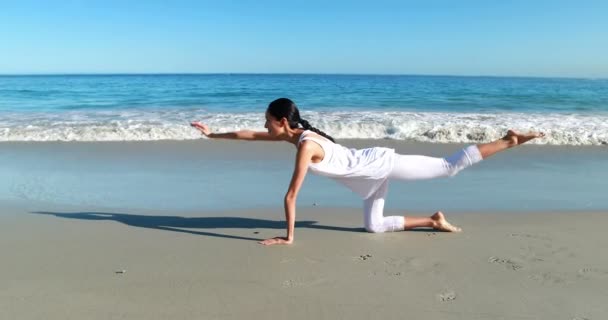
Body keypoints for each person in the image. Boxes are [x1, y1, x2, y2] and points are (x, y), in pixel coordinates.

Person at [191, 98, 544, 246]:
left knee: (448, 168)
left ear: (283, 122)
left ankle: (508, 140)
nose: (263, 127)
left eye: (268, 122)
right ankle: (434, 220)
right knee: (374, 227)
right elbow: (249, 136)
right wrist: (212, 134)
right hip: (368, 178)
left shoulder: (306, 146)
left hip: (380, 163)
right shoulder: (297, 136)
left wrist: (289, 238)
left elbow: (291, 195)